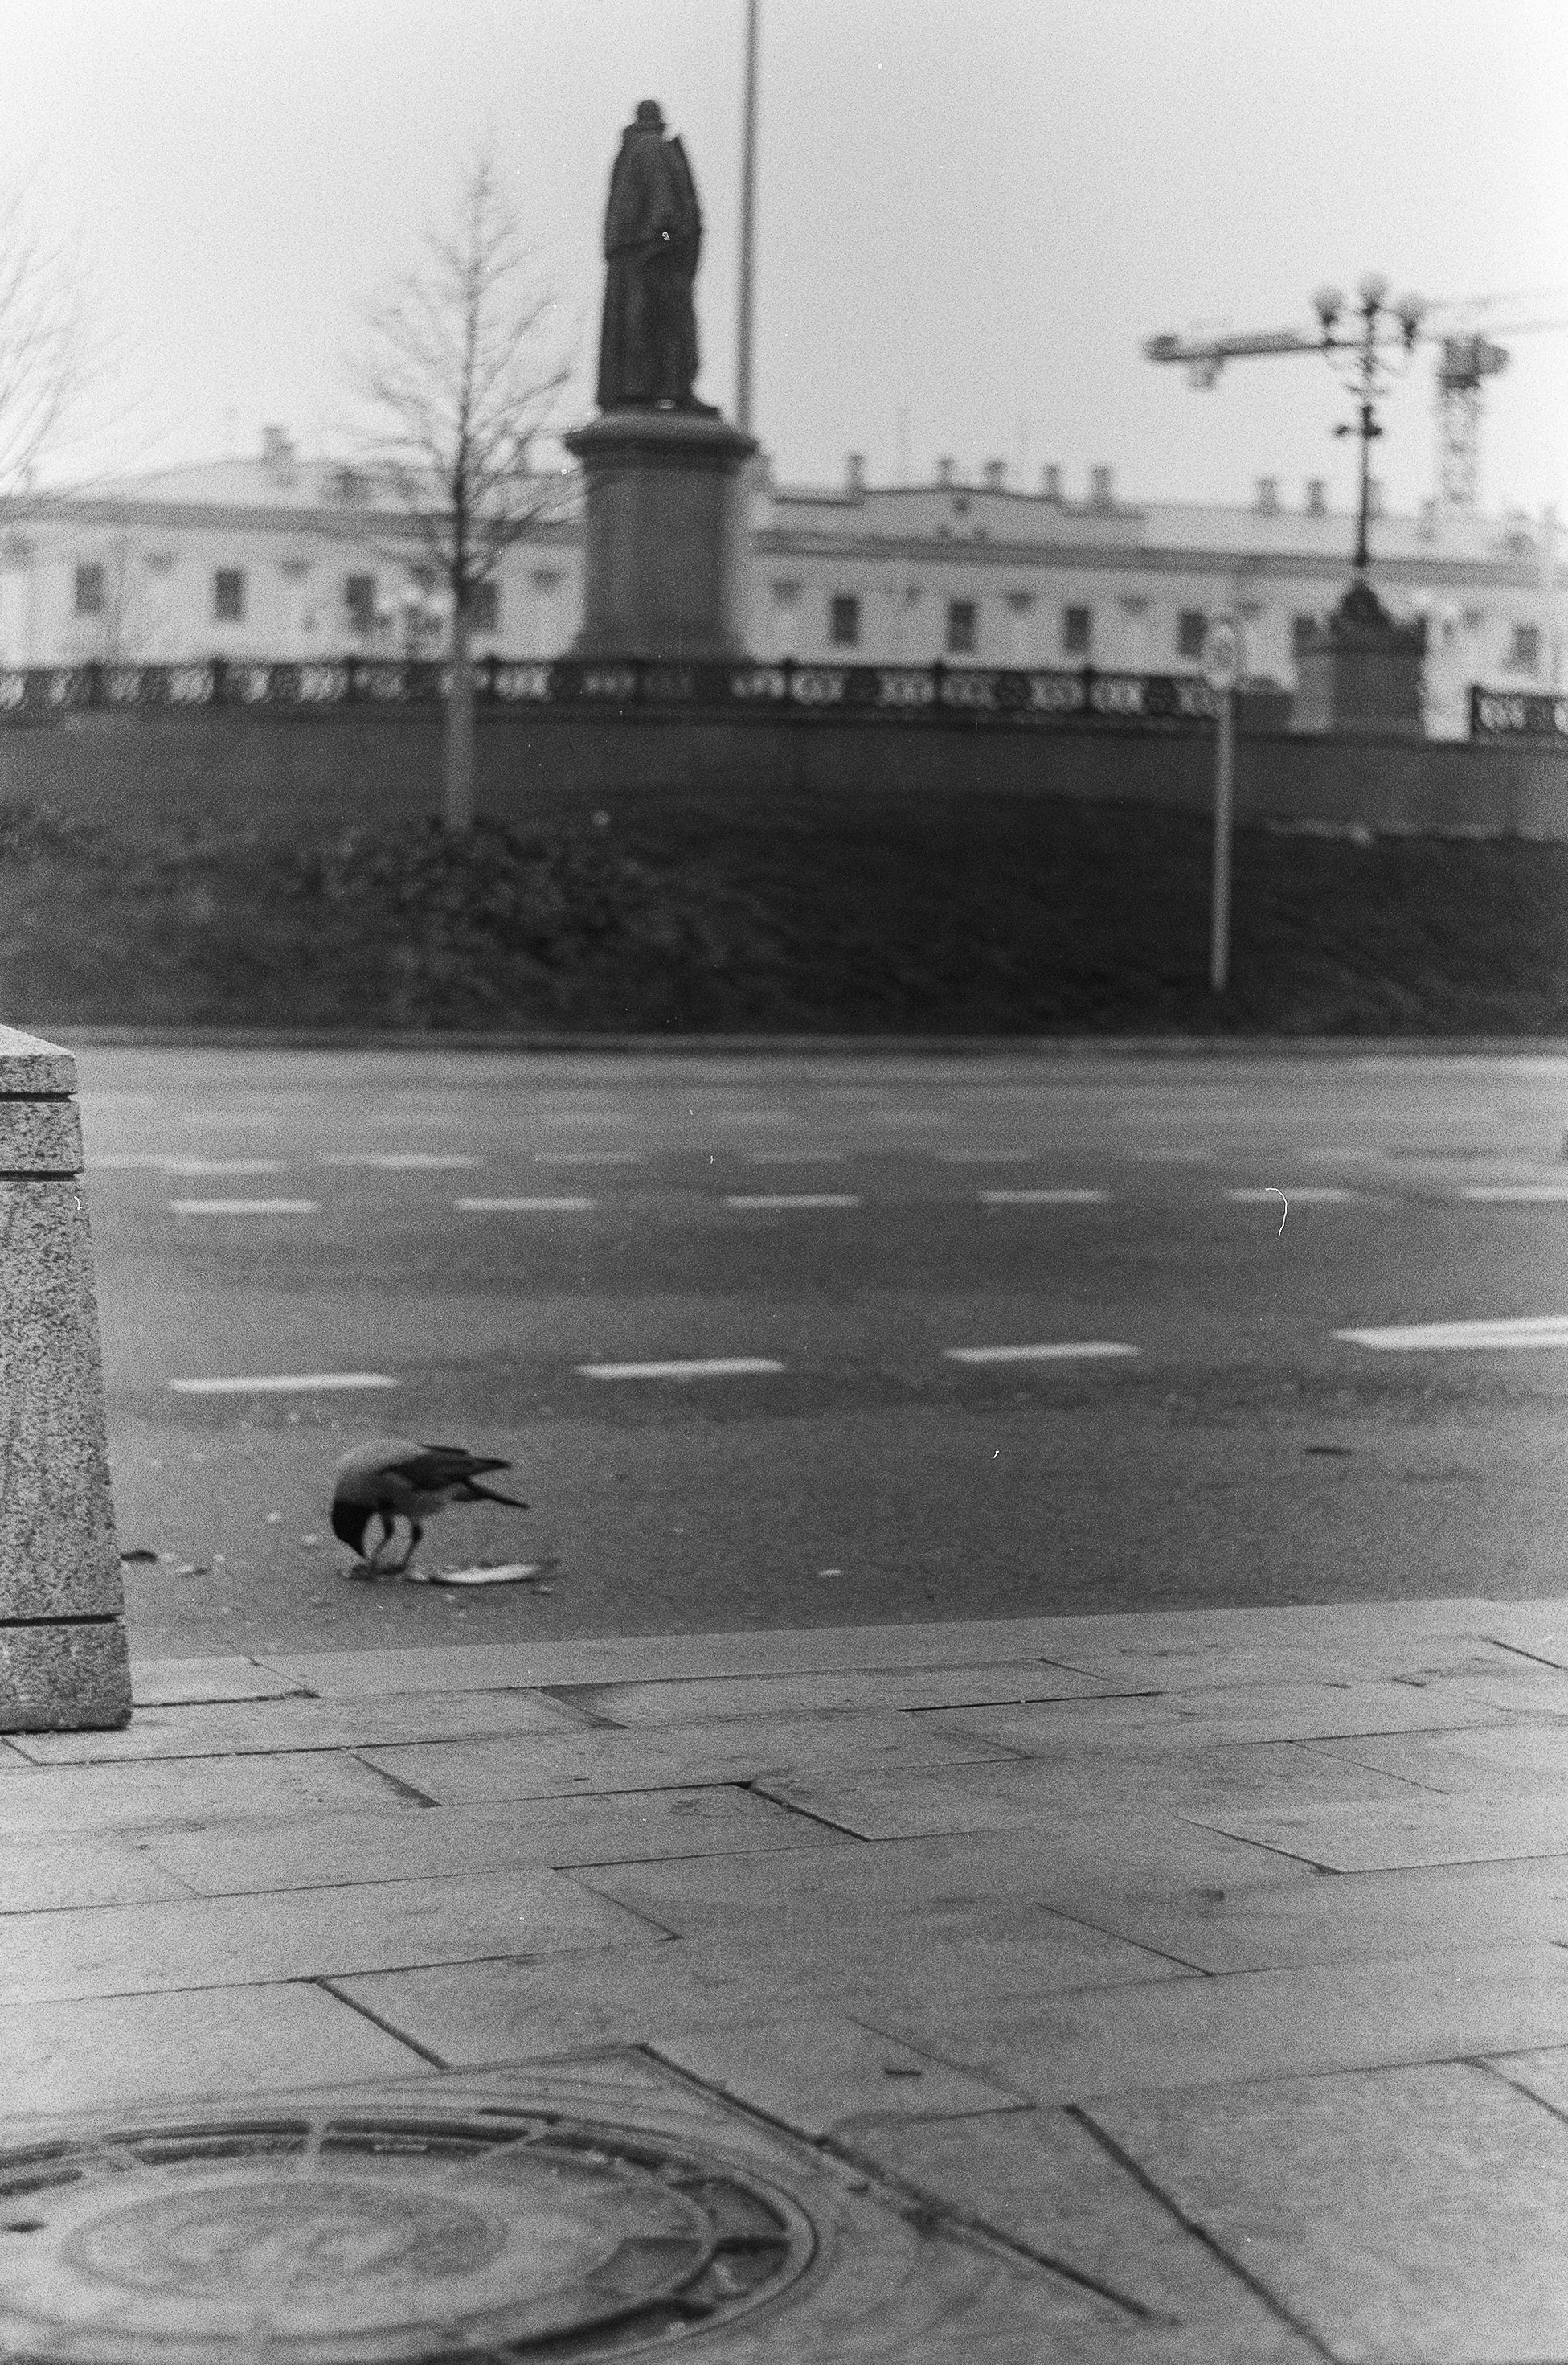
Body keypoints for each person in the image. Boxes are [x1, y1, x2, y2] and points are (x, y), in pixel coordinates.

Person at [596, 100, 714, 412]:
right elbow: (664, 211)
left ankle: (637, 390)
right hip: (653, 255)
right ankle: (670, 389)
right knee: (663, 326)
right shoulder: (654, 149)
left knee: (635, 328)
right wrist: (664, 241)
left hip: (631, 256)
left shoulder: (629, 151)